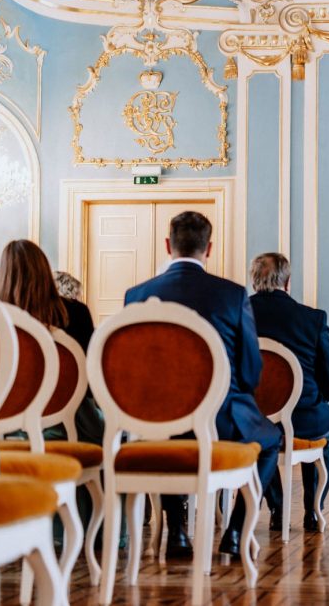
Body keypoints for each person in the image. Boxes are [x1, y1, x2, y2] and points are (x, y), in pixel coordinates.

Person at [124, 212, 281, 558]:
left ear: (168, 245)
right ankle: (236, 533)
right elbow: (251, 370)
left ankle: (178, 532)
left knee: (168, 435)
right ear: (209, 248)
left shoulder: (136, 296)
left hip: (156, 424)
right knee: (272, 440)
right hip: (220, 421)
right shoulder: (231, 295)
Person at [248, 253, 329, 533]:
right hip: (304, 417)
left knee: (264, 437)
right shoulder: (311, 319)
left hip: (254, 418)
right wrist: (320, 398)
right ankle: (313, 510)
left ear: (254, 282)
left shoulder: (237, 315)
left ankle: (277, 506)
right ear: (287, 282)